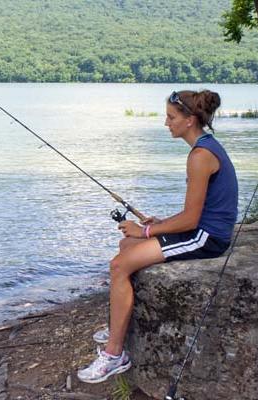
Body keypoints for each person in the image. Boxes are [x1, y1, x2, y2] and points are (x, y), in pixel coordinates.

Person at [77, 89, 238, 384]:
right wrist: (161, 224)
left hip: (208, 238)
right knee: (127, 244)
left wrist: (147, 230)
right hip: (201, 228)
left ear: (190, 120)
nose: (166, 123)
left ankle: (114, 355)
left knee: (119, 264)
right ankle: (118, 324)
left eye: (171, 117)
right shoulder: (205, 147)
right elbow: (196, 211)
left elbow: (192, 220)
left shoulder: (200, 156)